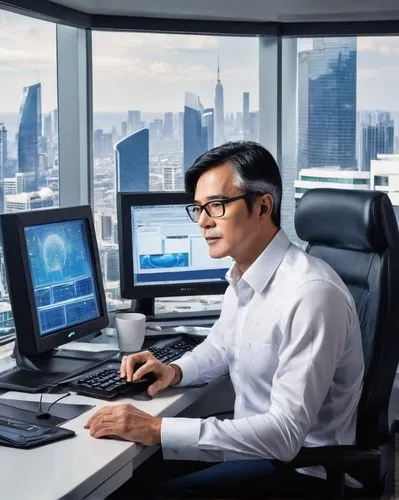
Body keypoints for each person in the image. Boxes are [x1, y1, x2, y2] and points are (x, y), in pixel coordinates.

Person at [84, 141, 364, 498]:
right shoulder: (244, 275)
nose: (202, 222)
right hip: (253, 449)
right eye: (199, 209)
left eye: (216, 206)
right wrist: (175, 371)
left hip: (300, 470)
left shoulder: (311, 294)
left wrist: (158, 430)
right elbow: (221, 346)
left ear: (263, 206)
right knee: (125, 478)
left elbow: (285, 434)